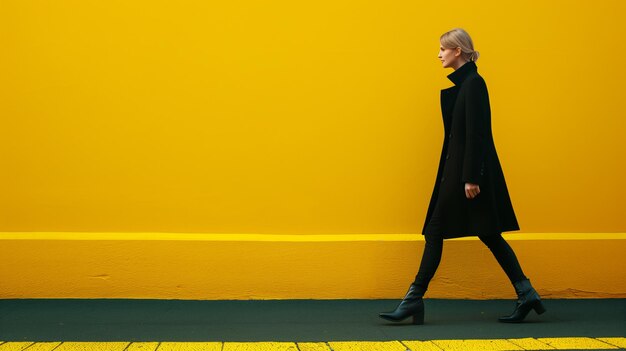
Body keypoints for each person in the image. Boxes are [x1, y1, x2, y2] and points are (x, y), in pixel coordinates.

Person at [379, 28, 546, 325]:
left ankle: (414, 299)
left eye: (443, 49)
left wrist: (471, 177)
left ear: (458, 51)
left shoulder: (474, 84)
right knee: (487, 233)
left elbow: (477, 134)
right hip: (457, 174)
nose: (439, 54)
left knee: (440, 230)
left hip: (465, 177)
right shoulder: (466, 84)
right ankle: (526, 291)